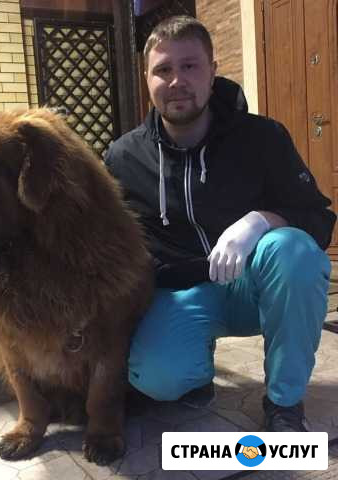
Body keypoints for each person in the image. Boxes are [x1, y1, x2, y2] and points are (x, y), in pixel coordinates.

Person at [104, 15, 336, 432]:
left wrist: (260, 221)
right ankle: (194, 372)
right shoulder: (123, 158)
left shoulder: (263, 138)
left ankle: (284, 403)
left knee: (294, 251)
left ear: (212, 73)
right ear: (147, 79)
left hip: (256, 286)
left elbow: (318, 219)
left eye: (190, 66)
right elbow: (107, 244)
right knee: (156, 379)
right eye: (163, 69)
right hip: (183, 294)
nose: (177, 80)